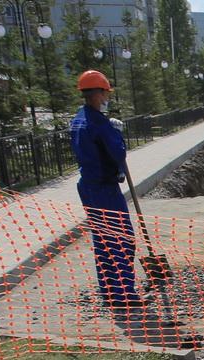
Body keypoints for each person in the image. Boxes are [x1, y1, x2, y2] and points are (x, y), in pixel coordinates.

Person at [69, 70, 140, 312]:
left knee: (103, 239)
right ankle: (123, 294)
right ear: (98, 93)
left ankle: (109, 291)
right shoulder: (99, 123)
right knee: (121, 239)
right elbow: (118, 153)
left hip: (88, 185)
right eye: (105, 93)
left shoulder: (78, 119)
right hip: (104, 188)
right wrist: (117, 134)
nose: (106, 97)